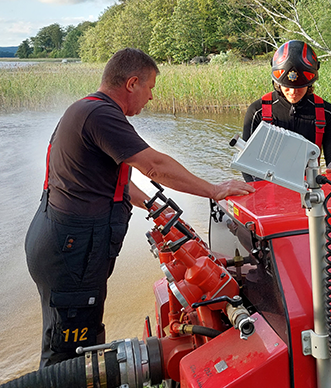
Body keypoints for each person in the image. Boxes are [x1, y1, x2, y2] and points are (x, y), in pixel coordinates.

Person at [24, 48, 254, 368]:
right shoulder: (101, 115)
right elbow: (154, 166)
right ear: (132, 83)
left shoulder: (85, 110)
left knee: (76, 339)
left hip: (60, 242)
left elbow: (108, 180)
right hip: (71, 249)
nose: (150, 98)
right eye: (149, 88)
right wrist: (213, 190)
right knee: (71, 357)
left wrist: (152, 206)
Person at [242, 40, 331, 181]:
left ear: (310, 84)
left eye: (299, 87)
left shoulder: (327, 112)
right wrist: (265, 191)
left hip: (310, 189)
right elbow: (246, 164)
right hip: (268, 190)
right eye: (287, 87)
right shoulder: (257, 111)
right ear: (277, 83)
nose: (293, 92)